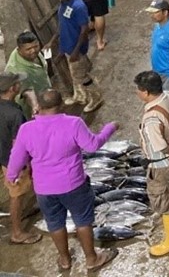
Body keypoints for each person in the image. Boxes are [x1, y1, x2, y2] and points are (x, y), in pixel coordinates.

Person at [5, 89, 118, 272]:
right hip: (74, 185)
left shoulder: (26, 129)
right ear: (62, 104)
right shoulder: (74, 123)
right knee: (82, 221)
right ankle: (91, 258)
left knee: (55, 223)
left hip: (44, 189)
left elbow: (17, 157)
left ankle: (65, 259)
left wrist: (12, 176)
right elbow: (92, 145)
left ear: (38, 106)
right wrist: (109, 128)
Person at [134, 70, 169, 257]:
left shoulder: (151, 118)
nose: (137, 93)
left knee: (166, 200)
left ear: (146, 92)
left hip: (163, 164)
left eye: (139, 90)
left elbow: (162, 147)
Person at [0, 71, 41, 245]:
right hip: (11, 160)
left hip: (1, 153)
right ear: (12, 88)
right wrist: (24, 165)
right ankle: (17, 232)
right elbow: (19, 145)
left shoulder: (6, 107)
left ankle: (23, 211)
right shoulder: (15, 114)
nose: (19, 85)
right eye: (17, 83)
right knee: (16, 194)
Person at [54, 0, 103, 112]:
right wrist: (55, 42)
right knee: (75, 74)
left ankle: (96, 96)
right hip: (68, 45)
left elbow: (84, 29)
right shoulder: (63, 3)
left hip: (76, 48)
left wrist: (76, 51)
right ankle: (80, 96)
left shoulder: (78, 6)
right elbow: (63, 23)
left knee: (82, 76)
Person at [4, 32, 52, 119]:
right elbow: (27, 91)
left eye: (36, 46)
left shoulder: (31, 54)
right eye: (29, 49)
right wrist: (34, 105)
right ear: (19, 50)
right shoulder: (16, 69)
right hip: (30, 108)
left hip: (43, 96)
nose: (33, 50)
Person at [145, 0, 169, 92]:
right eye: (151, 12)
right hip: (157, 71)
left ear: (165, 12)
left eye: (155, 12)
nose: (152, 15)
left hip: (168, 75)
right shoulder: (158, 25)